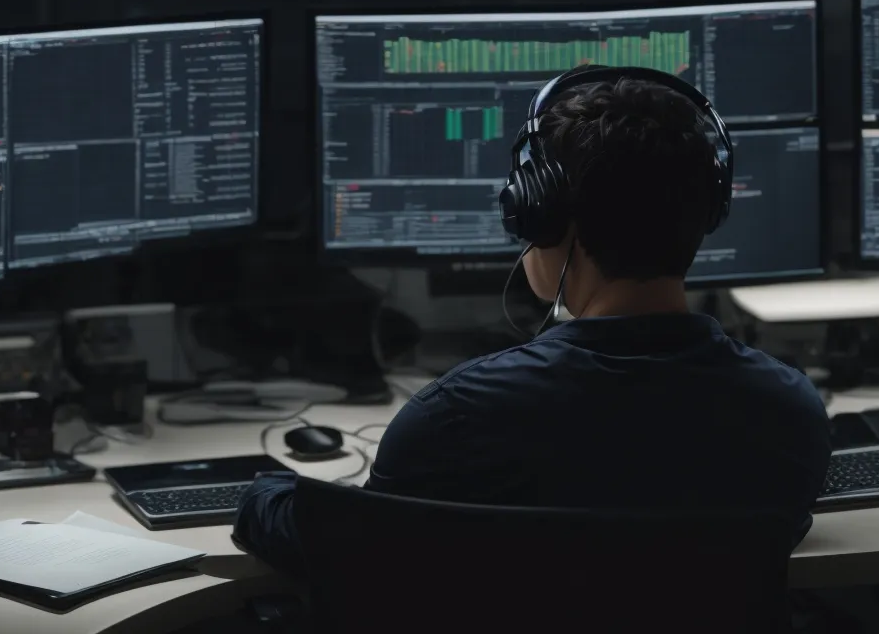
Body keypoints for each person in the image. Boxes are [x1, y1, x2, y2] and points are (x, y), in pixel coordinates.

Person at [233, 68, 833, 578]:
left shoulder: (461, 413)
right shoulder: (788, 409)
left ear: (543, 217)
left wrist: (264, 493)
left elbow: (349, 548)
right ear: (709, 213)